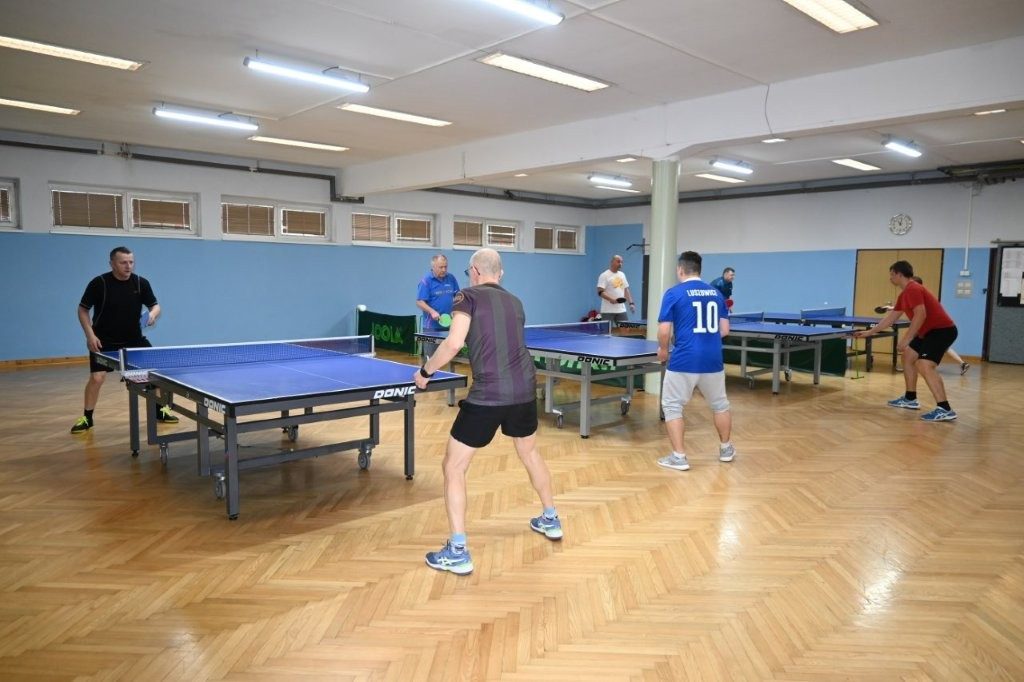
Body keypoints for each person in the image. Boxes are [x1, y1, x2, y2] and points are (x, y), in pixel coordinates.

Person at [414, 248, 561, 575]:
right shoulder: (516, 301)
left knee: (453, 466)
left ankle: (457, 550)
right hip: (524, 391)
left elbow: (454, 343)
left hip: (489, 394)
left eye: (469, 272)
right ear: (501, 273)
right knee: (530, 454)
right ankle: (550, 518)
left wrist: (425, 372)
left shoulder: (466, 296)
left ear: (475, 272)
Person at [71, 246, 177, 434]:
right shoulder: (99, 283)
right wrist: (90, 335)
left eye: (131, 262)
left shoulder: (140, 283)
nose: (128, 266)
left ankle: (160, 410)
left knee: (157, 371)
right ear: (112, 264)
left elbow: (155, 306)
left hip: (134, 339)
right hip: (103, 340)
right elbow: (82, 309)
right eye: (123, 263)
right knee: (97, 378)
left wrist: (152, 314)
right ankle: (87, 417)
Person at [656, 251, 736, 471]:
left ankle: (679, 457)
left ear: (680, 269)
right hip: (713, 359)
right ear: (699, 270)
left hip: (684, 359)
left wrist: (663, 349)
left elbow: (664, 330)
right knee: (720, 405)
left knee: (672, 406)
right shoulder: (716, 294)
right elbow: (725, 330)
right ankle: (726, 449)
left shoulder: (674, 293)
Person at [854, 261, 959, 421]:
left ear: (899, 274)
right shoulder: (904, 294)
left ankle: (945, 408)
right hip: (928, 332)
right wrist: (869, 332)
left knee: (924, 365)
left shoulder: (913, 289)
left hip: (941, 331)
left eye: (892, 274)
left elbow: (921, 314)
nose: (890, 278)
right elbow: (891, 318)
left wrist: (906, 339)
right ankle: (910, 398)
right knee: (908, 357)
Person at [879, 276, 969, 375]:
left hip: (934, 330)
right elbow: (906, 305)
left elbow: (917, 311)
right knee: (943, 349)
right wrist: (891, 308)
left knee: (936, 353)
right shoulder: (913, 295)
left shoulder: (917, 294)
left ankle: (960, 363)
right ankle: (962, 363)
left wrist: (906, 339)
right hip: (925, 330)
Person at [416, 254, 460, 331]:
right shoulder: (426, 281)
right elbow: (419, 302)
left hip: (450, 324)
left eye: (445, 267)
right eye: (441, 267)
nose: (444, 270)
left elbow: (458, 296)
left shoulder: (451, 278)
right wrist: (432, 312)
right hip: (431, 327)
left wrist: (456, 309)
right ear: (433, 267)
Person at [596, 254, 635, 327]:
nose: (620, 264)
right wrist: (612, 299)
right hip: (608, 311)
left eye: (621, 262)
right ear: (612, 262)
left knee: (625, 330)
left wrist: (631, 303)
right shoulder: (604, 275)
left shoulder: (622, 275)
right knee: (607, 332)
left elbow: (626, 290)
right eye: (618, 261)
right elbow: (600, 292)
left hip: (621, 310)